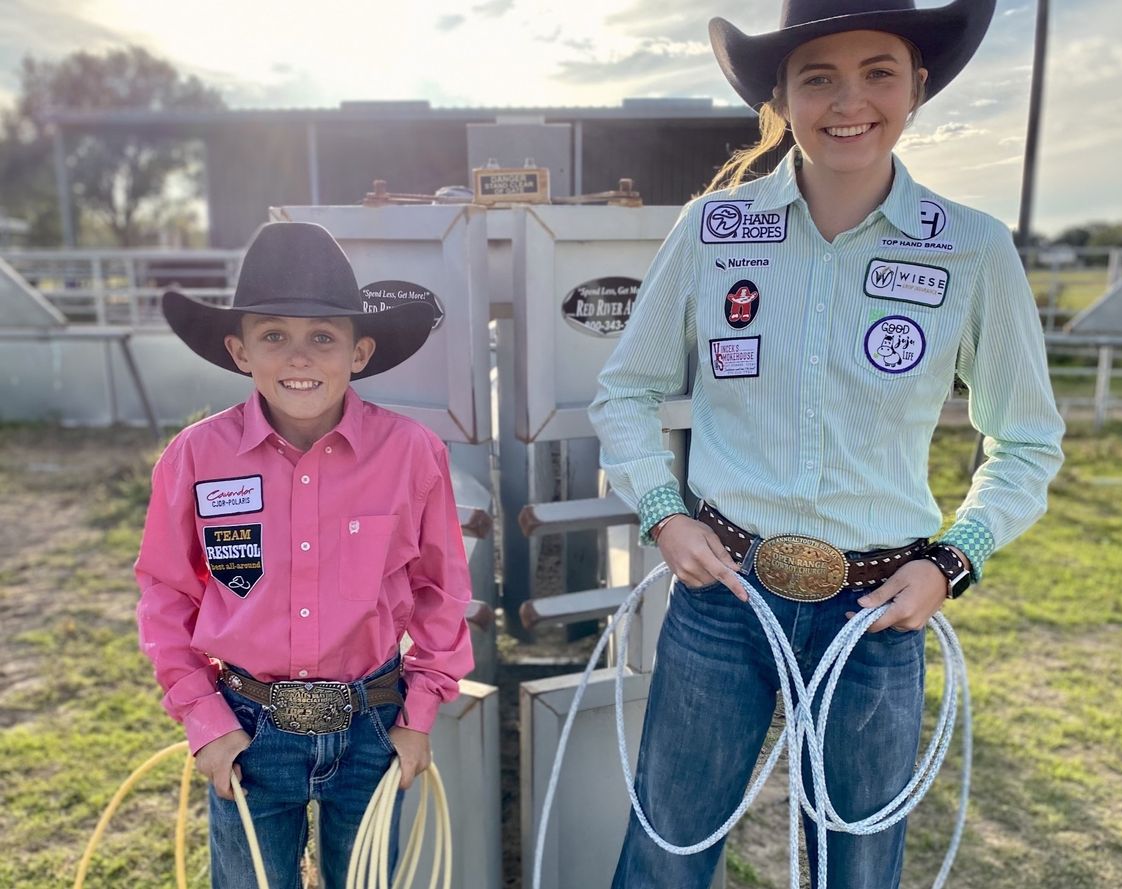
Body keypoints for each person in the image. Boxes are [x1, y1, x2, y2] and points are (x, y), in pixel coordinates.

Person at [589, 2, 1065, 887]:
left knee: (858, 863)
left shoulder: (972, 248)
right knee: (669, 849)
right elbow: (626, 389)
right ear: (781, 94)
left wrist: (954, 559)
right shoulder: (713, 230)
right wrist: (663, 511)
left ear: (918, 87)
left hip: (878, 607)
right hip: (724, 594)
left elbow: (1027, 440)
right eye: (818, 76)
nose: (851, 100)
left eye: (878, 71)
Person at [135, 222, 474, 888]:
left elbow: (441, 589)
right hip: (248, 728)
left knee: (370, 877)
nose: (299, 358)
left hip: (374, 722)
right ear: (239, 350)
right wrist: (205, 719)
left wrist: (419, 715)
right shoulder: (196, 458)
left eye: (323, 337)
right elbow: (166, 593)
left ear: (359, 350)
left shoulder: (411, 453)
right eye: (274, 336)